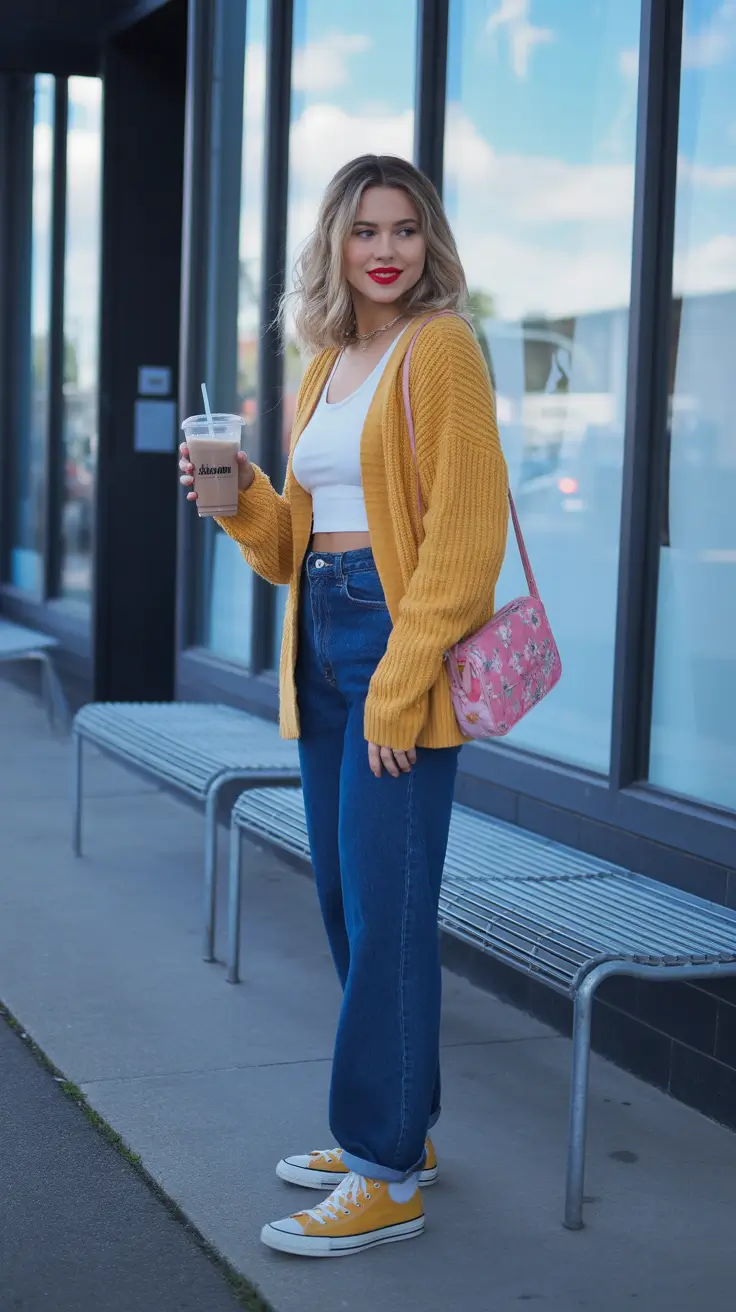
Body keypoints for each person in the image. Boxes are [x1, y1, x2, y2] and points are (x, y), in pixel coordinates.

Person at [179, 154, 509, 1258]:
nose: (385, 249)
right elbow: (290, 545)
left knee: (390, 915)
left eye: (405, 229)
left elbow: (463, 544)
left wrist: (400, 688)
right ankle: (397, 1131)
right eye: (364, 229)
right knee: (349, 904)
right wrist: (231, 497)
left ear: (429, 243)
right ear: (333, 243)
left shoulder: (443, 348)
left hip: (391, 641)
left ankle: (381, 1171)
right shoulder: (327, 360)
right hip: (321, 629)